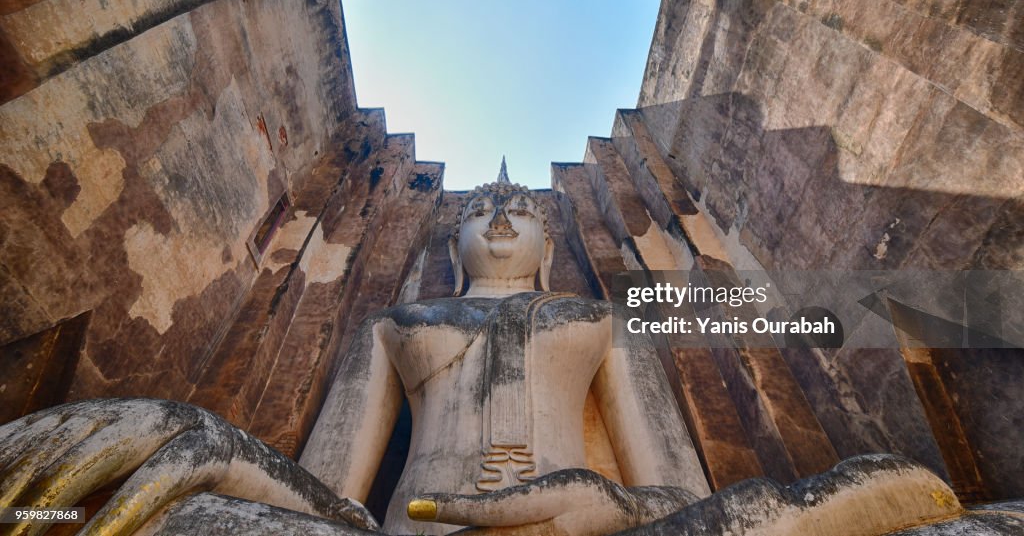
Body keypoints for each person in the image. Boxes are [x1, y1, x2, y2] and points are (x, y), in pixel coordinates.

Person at [0, 167, 707, 535]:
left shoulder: (604, 320)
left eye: (517, 210)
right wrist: (207, 445)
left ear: (548, 246)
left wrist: (610, 502)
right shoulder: (396, 321)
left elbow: (685, 501)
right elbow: (327, 505)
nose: (496, 220)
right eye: (478, 210)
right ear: (450, 246)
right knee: (112, 504)